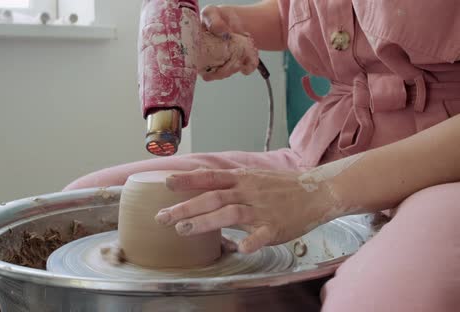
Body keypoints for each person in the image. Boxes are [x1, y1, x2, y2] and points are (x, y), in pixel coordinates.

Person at [65, 1, 460, 310]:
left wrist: (320, 192)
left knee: (384, 300)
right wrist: (233, 24)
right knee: (82, 205)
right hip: (325, 146)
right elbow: (296, 11)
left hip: (443, 166)